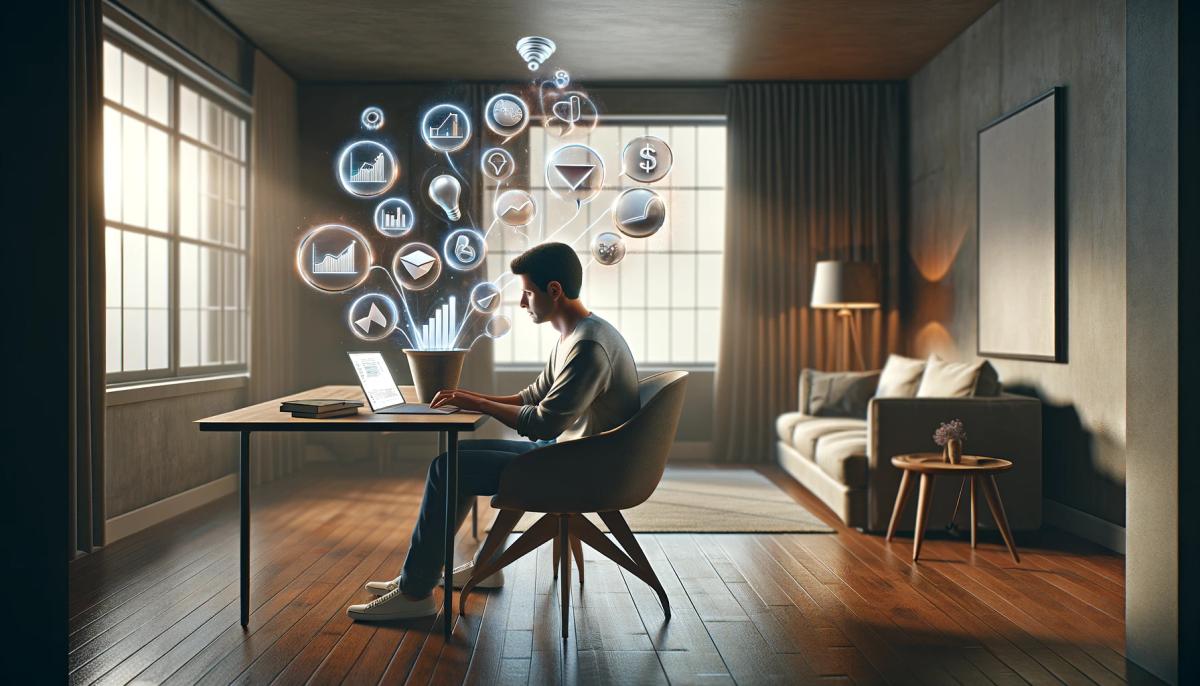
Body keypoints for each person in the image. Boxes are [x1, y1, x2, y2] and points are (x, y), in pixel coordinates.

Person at [348, 242, 640, 621]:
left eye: (528, 293)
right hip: (571, 456)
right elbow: (533, 397)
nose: (522, 303)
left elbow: (543, 423)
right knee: (456, 461)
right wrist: (471, 397)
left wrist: (481, 405)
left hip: (580, 470)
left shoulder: (588, 346)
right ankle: (438, 573)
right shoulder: (579, 333)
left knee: (447, 468)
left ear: (554, 291)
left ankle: (415, 592)